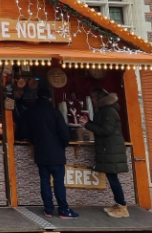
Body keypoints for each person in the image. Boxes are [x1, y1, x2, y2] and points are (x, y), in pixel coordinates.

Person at [18, 86, 79, 219]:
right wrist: (62, 145)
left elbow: (23, 132)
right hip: (56, 154)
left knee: (44, 182)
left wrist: (35, 141)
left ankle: (48, 210)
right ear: (50, 98)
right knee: (58, 182)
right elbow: (64, 135)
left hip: (40, 153)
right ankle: (63, 210)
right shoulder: (55, 112)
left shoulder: (30, 112)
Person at [79, 87, 130, 218]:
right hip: (108, 148)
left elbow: (106, 130)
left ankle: (122, 206)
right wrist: (88, 123)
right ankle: (118, 204)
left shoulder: (108, 111)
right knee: (112, 177)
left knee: (113, 178)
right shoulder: (104, 111)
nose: (92, 100)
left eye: (93, 98)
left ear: (99, 99)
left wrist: (87, 125)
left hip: (111, 149)